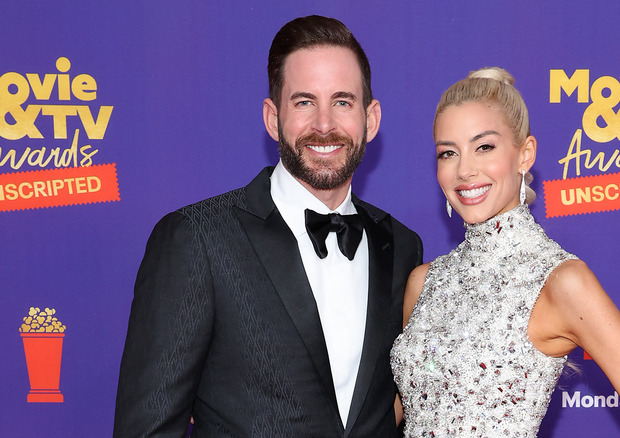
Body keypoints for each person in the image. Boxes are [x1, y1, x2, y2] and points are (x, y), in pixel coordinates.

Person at [114, 15, 422, 437]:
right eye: (304, 102)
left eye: (343, 101)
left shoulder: (402, 246)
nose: (325, 125)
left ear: (371, 119)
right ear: (272, 118)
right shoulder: (197, 239)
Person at [390, 67, 620, 437]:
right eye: (448, 153)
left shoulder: (561, 281)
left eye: (484, 147)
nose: (464, 170)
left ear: (525, 154)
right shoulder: (424, 283)